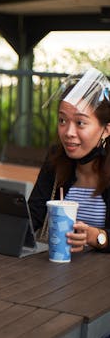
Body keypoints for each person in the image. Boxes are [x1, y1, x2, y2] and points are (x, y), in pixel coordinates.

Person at [29, 67, 110, 253]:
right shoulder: (56, 160)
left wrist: (95, 236)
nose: (68, 133)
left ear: (106, 130)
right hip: (57, 272)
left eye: (80, 123)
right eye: (62, 121)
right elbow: (33, 215)